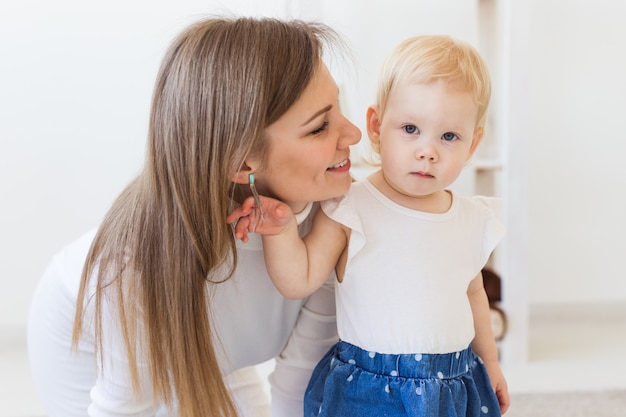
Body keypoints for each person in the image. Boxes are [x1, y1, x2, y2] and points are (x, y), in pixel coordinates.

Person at [27, 16, 361, 417]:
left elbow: (299, 386)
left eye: (339, 108)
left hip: (213, 352)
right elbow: (123, 410)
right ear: (242, 164)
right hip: (87, 337)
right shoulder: (132, 268)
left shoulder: (335, 219)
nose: (354, 133)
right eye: (320, 127)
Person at [228, 35, 510, 416]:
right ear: (376, 126)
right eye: (410, 129)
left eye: (449, 136)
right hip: (370, 389)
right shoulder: (352, 206)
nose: (428, 150)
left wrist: (490, 363)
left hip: (454, 381)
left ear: (472, 145)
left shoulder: (472, 218)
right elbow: (301, 278)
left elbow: (474, 294)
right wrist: (282, 233)